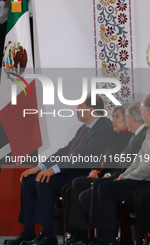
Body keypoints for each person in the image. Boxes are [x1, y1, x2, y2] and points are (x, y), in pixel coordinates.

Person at [3, 95, 114, 245]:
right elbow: (65, 150)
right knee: (29, 180)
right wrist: (40, 167)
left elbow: (84, 155)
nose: (76, 109)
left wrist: (54, 170)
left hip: (82, 173)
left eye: (80, 107)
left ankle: (47, 235)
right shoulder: (84, 128)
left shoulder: (104, 127)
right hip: (69, 170)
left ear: (92, 110)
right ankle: (28, 231)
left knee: (45, 181)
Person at [62, 102, 147, 245]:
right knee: (74, 187)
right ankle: (84, 234)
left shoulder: (138, 136)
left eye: (119, 117)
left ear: (131, 119)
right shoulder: (121, 136)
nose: (114, 120)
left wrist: (113, 176)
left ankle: (106, 237)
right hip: (123, 176)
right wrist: (97, 170)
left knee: (100, 188)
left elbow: (132, 166)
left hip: (137, 180)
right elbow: (116, 161)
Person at [86, 95, 150, 245]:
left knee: (106, 187)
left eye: (142, 111)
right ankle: (100, 236)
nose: (141, 114)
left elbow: (146, 167)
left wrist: (128, 176)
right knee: (100, 185)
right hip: (138, 177)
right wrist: (124, 174)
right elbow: (138, 161)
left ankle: (110, 239)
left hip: (143, 180)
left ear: (147, 112)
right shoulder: (148, 133)